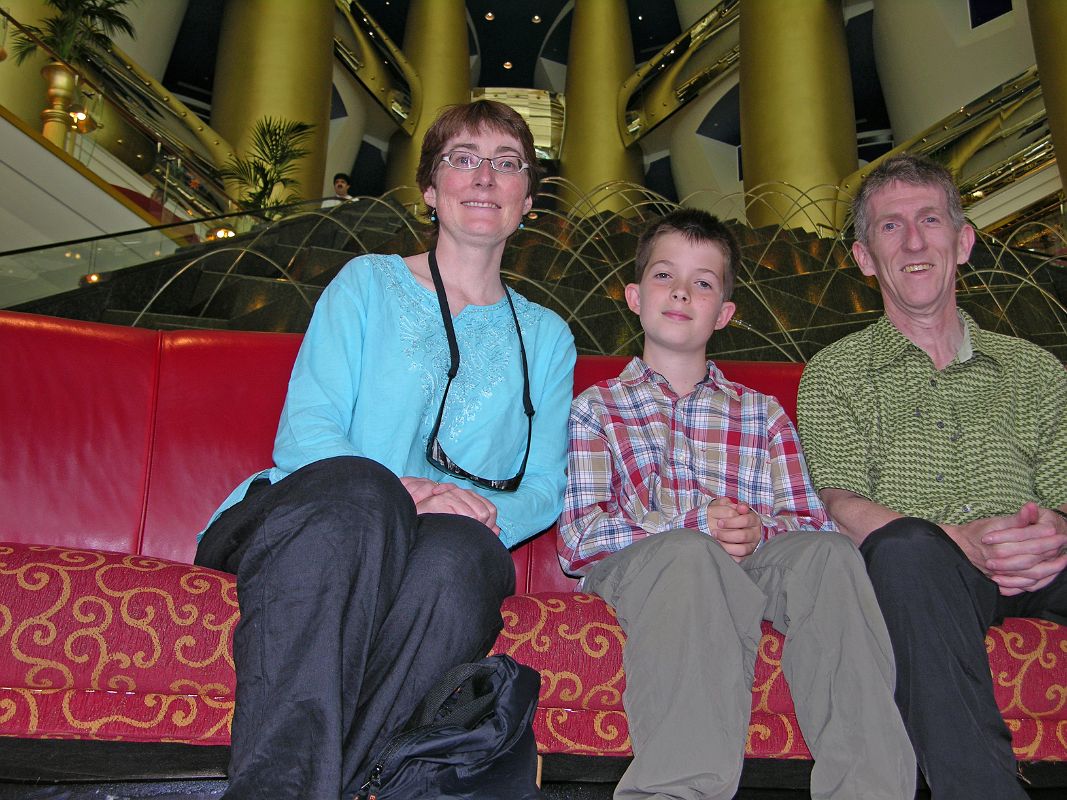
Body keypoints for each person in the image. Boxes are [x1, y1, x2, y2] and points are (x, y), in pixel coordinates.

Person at [196, 100, 576, 800]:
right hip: (308, 515)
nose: (484, 176)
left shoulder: (548, 337)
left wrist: (461, 512)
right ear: (430, 191)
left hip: (437, 539)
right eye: (462, 158)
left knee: (462, 560)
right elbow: (308, 430)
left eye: (506, 163)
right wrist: (411, 489)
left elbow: (545, 487)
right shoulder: (365, 283)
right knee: (364, 496)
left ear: (528, 197)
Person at [559, 208, 915, 800]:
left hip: (753, 565)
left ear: (723, 313)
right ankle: (676, 792)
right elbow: (579, 539)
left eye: (702, 282)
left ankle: (870, 789)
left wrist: (758, 532)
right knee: (691, 554)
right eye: (664, 276)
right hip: (648, 567)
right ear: (633, 297)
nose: (680, 291)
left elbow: (808, 519)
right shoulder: (597, 408)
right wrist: (691, 523)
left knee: (829, 557)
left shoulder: (762, 414)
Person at [797, 153, 1067, 799]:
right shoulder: (832, 375)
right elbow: (837, 500)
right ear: (864, 258)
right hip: (927, 575)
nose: (914, 241)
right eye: (890, 227)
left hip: (1040, 560)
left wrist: (1055, 528)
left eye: (929, 220)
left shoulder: (1037, 370)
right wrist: (955, 540)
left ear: (963, 240)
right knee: (902, 553)